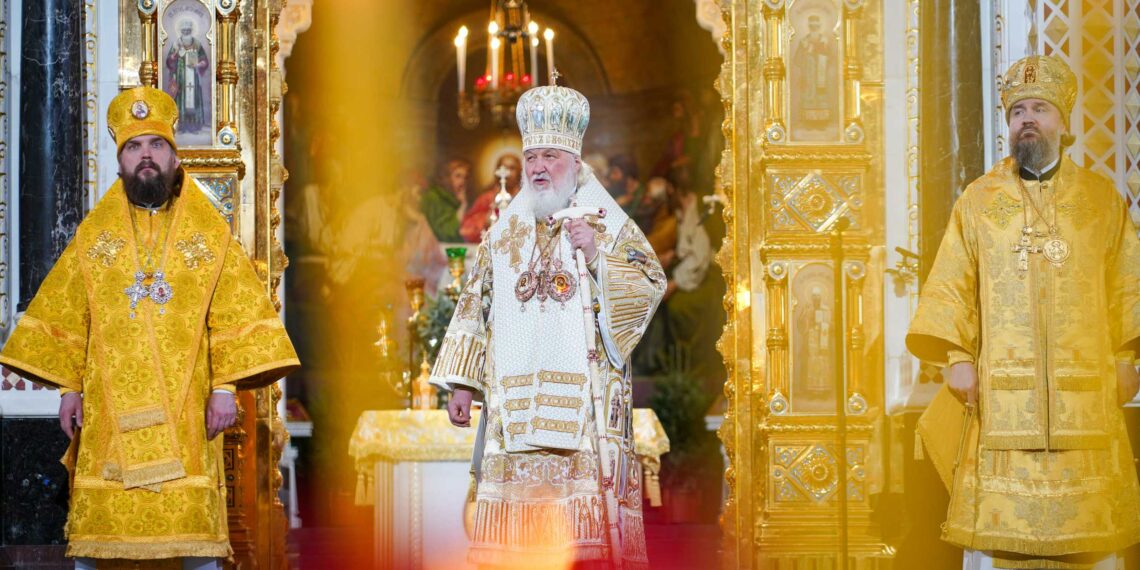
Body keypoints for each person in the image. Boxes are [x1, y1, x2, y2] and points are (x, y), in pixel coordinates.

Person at [0, 86, 300, 568]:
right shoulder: (94, 236)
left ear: (175, 159)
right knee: (100, 540)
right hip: (108, 415)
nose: (146, 156)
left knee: (193, 541)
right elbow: (70, 314)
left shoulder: (208, 235)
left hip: (186, 413)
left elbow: (233, 313)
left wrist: (224, 389)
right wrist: (69, 389)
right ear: (120, 163)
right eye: (134, 147)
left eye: (156, 145)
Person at [908, 55, 1140, 570]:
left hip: (1086, 396)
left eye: (1040, 109)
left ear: (1063, 122)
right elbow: (953, 283)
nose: (1027, 119)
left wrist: (1127, 356)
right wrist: (956, 357)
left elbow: (1128, 282)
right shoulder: (978, 202)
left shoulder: (1101, 199)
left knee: (1093, 537)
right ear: (1009, 125)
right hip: (1002, 401)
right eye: (1018, 112)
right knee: (999, 539)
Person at [430, 82, 665, 569]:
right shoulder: (505, 229)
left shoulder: (605, 220)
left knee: (583, 550)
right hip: (514, 414)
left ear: (575, 162)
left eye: (550, 157)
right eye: (531, 156)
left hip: (583, 415)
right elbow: (477, 301)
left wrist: (595, 254)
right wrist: (462, 384)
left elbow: (650, 281)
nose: (538, 167)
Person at [460, 153, 522, 243]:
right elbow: (465, 229)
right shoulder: (487, 198)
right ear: (498, 171)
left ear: (519, 171)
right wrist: (486, 220)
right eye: (504, 168)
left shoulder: (526, 198)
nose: (507, 173)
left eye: (512, 168)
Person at [165, 19, 210, 134]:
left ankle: (193, 126)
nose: (186, 32)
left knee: (193, 98)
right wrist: (174, 55)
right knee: (181, 99)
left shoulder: (197, 44)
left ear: (191, 31)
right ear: (181, 31)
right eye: (184, 31)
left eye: (188, 30)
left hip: (193, 76)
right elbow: (169, 61)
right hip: (180, 76)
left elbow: (204, 60)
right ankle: (181, 126)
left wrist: (199, 64)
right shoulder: (176, 43)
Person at [421, 158, 471, 243]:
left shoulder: (454, 199)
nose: (462, 181)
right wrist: (463, 206)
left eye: (464, 177)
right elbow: (445, 234)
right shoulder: (433, 197)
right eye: (458, 176)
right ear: (447, 177)